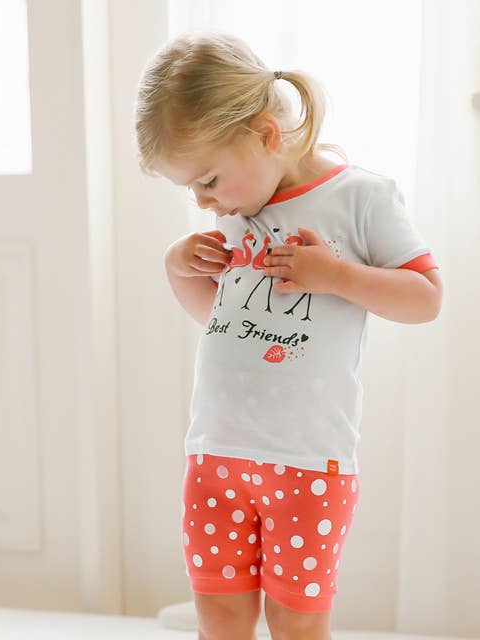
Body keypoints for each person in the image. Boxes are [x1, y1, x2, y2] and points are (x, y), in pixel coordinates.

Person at [134, 31, 442, 640]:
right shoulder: (238, 209)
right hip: (216, 455)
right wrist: (178, 268)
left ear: (266, 135)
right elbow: (223, 323)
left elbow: (425, 299)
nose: (203, 201)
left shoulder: (361, 198)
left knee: (297, 623)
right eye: (190, 188)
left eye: (208, 180)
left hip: (306, 463)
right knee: (219, 618)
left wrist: (338, 276)